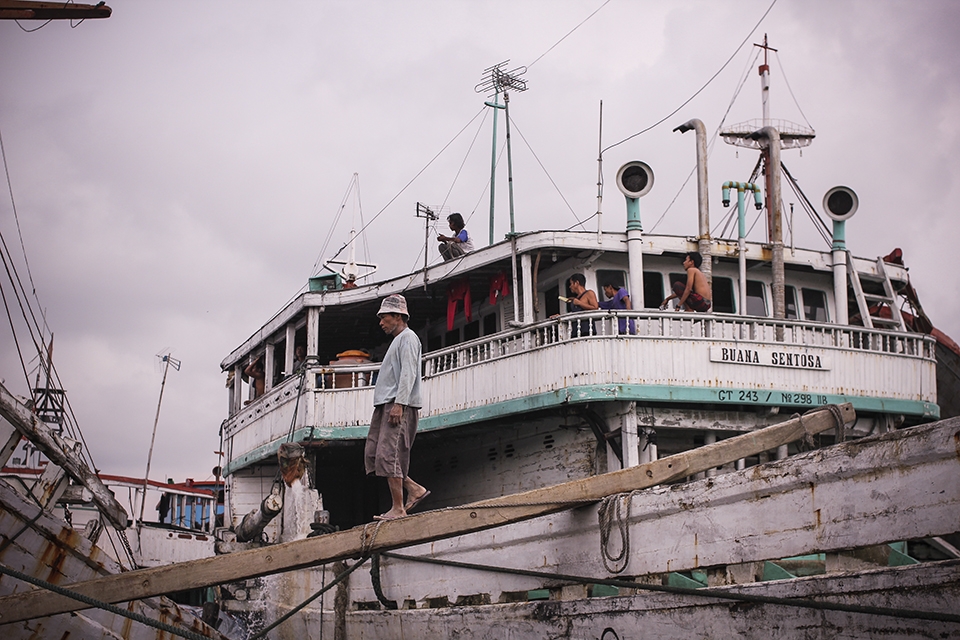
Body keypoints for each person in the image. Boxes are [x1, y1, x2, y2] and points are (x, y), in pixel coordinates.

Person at [364, 294, 430, 520]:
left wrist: (399, 404)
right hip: (387, 404)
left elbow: (408, 374)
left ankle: (398, 509)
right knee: (377, 455)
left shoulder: (408, 338)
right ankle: (414, 489)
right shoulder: (398, 340)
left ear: (398, 316)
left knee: (390, 455)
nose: (381, 323)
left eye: (384, 318)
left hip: (398, 404)